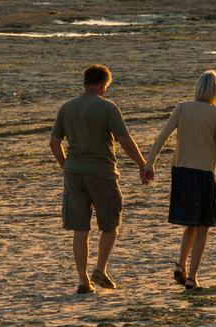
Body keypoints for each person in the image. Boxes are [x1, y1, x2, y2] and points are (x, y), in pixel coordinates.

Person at [49, 64, 154, 294]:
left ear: (85, 82)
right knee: (110, 224)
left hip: (74, 174)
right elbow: (124, 140)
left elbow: (54, 143)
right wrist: (142, 164)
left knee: (80, 229)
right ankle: (100, 268)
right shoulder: (108, 108)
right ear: (103, 84)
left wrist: (66, 165)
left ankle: (82, 280)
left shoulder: (66, 108)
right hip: (101, 173)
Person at [144, 70, 216, 290]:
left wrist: (149, 163)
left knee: (190, 223)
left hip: (180, 172)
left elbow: (162, 136)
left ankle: (181, 265)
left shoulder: (182, 108)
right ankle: (192, 277)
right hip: (203, 174)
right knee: (203, 227)